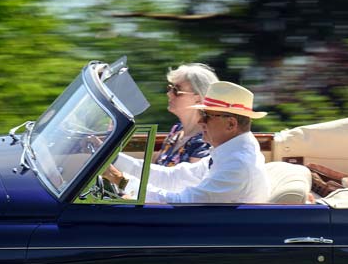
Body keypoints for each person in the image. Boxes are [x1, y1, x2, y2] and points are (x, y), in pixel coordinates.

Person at [106, 81, 270, 204]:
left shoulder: (237, 164)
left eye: (206, 116)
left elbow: (180, 204)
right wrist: (113, 159)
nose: (200, 122)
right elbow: (173, 178)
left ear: (231, 124)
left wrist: (121, 181)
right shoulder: (229, 153)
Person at [154, 63, 216, 167]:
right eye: (170, 88)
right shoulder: (176, 131)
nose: (169, 94)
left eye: (176, 90)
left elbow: (193, 181)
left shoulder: (204, 142)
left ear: (198, 98)